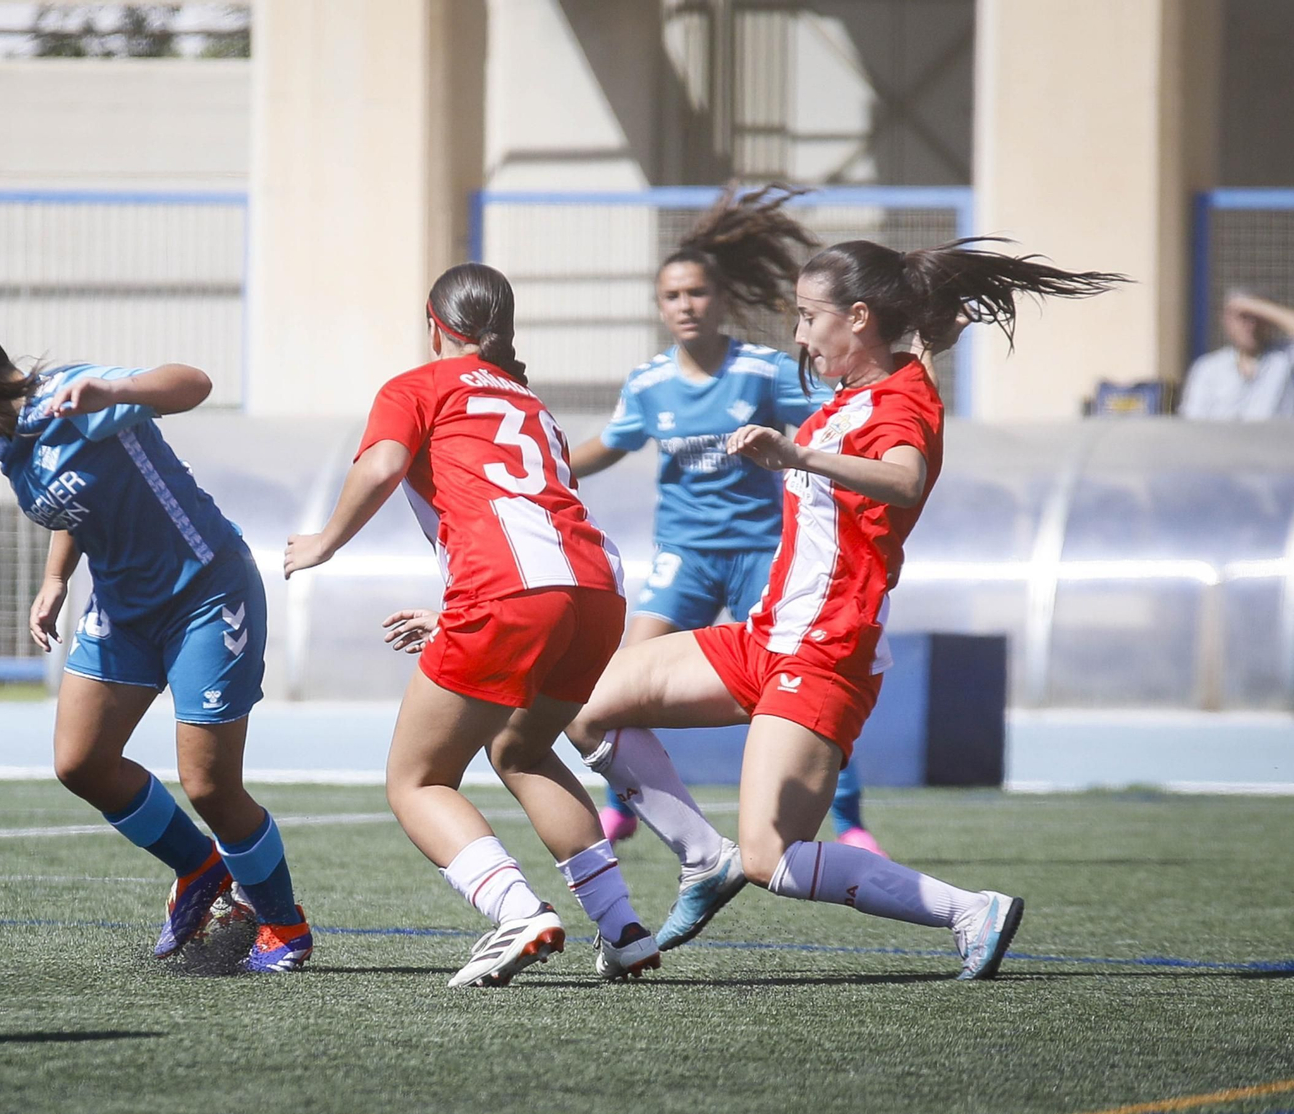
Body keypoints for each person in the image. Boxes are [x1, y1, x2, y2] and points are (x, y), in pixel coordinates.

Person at [565, 239, 1125, 977]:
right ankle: (703, 860)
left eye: (807, 317)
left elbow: (903, 477)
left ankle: (969, 910)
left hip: (826, 650)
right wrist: (931, 338)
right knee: (583, 702)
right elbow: (905, 377)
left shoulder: (899, 402)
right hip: (767, 635)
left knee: (771, 859)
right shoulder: (864, 392)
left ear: (856, 318)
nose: (797, 335)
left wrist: (797, 456)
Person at [0, 304, 311, 973]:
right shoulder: (10, 438)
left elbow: (194, 383)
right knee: (81, 762)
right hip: (123, 610)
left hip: (205, 594)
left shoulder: (74, 393)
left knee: (210, 784)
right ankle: (200, 873)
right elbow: (79, 502)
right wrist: (54, 578)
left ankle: (284, 925)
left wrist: (121, 389)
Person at [283, 263, 661, 987]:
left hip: (512, 593)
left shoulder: (417, 385)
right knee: (521, 749)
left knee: (417, 781)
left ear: (435, 325)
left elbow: (385, 463)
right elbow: (533, 514)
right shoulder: (530, 402)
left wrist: (327, 539)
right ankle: (624, 929)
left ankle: (518, 913)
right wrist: (464, 607)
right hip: (595, 591)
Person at [566, 188, 887, 864]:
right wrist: (544, 468)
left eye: (697, 293)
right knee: (615, 682)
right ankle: (627, 808)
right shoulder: (650, 383)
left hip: (762, 557)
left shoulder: (762, 370)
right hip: (685, 555)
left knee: (794, 686)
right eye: (673, 296)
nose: (686, 305)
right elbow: (609, 446)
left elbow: (833, 421)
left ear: (720, 299)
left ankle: (852, 822)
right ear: (660, 307)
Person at [1179, 291, 1294, 419]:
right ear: (1227, 321)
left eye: (1257, 318)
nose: (1251, 325)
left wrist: (1257, 306)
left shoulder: (1284, 357)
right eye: (1243, 317)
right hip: (1221, 438)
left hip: (1276, 438)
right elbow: (1192, 420)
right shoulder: (1208, 368)